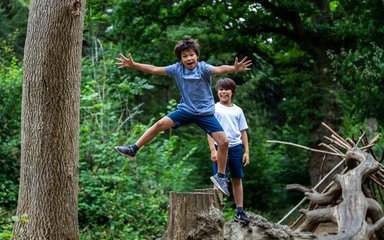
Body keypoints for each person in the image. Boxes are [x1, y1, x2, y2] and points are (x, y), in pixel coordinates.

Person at [114, 36, 252, 197]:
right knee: (160, 124)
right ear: (180, 59)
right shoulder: (176, 69)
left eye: (191, 54)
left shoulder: (204, 68)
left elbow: (219, 69)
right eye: (185, 56)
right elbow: (154, 69)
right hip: (186, 110)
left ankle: (221, 177)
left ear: (197, 56)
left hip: (205, 113)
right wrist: (133, 64)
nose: (189, 58)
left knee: (224, 142)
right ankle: (133, 149)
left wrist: (234, 69)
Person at [207, 78, 251, 224]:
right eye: (221, 89)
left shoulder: (238, 110)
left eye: (226, 89)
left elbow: (243, 131)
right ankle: (215, 213)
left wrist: (246, 152)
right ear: (217, 91)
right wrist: (213, 149)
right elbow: (209, 131)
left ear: (232, 92)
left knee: (237, 179)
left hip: (236, 147)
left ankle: (239, 211)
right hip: (220, 148)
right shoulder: (213, 108)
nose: (223, 92)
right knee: (219, 180)